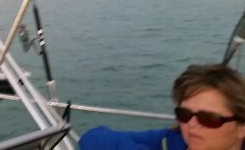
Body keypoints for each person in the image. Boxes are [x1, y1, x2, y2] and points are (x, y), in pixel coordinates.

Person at [79, 64, 245, 150]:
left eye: (208, 118)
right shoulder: (171, 140)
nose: (192, 125)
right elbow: (92, 138)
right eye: (184, 114)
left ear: (241, 128)